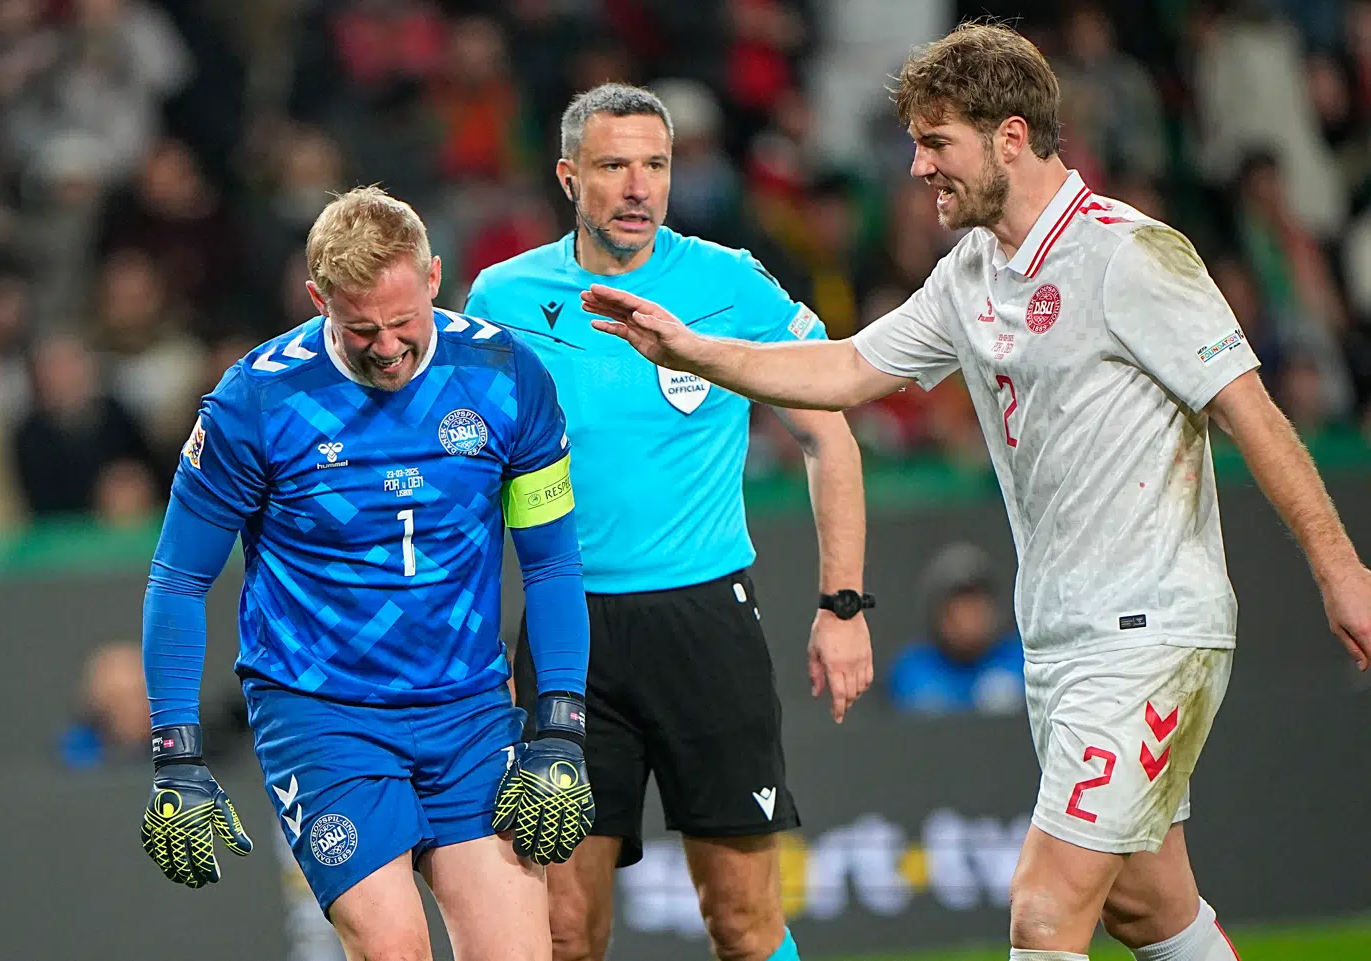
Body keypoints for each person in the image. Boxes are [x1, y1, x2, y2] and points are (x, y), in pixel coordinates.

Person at [582, 24, 1371, 961]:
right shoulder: (971, 273)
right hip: (1062, 639)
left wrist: (1341, 569)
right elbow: (843, 369)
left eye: (936, 142)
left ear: (1009, 137)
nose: (917, 167)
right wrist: (690, 350)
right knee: (1146, 905)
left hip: (1150, 630)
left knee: (1044, 912)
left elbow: (1252, 413)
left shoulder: (1129, 255)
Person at [464, 83, 870, 961]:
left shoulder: (728, 283)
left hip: (705, 624)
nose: (639, 185)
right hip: (570, 636)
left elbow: (828, 435)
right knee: (566, 931)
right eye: (614, 165)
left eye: (656, 164)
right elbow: (468, 485)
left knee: (744, 922)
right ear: (570, 176)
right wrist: (476, 644)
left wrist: (843, 604)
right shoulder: (503, 296)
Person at [138, 186, 596, 961]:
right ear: (318, 298)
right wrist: (175, 754)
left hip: (469, 710)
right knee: (393, 950)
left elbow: (551, 564)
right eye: (360, 330)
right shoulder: (255, 402)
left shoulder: (508, 377)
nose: (387, 348)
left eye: (402, 323)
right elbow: (178, 579)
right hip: (323, 716)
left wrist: (561, 727)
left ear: (434, 277)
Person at [887, 542, 1023, 715]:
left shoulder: (1024, 661)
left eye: (975, 606)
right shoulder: (912, 670)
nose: (967, 620)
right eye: (957, 608)